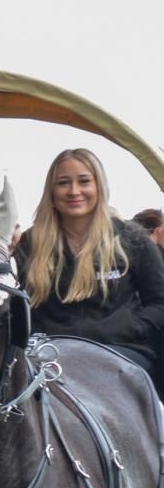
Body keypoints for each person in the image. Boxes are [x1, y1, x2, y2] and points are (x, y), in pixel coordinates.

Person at [15, 148, 164, 386]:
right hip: (51, 357)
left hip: (121, 353)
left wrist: (133, 326)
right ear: (51, 191)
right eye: (63, 183)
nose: (74, 191)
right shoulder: (30, 243)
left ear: (99, 186)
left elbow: (159, 302)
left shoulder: (132, 239)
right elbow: (23, 306)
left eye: (84, 181)